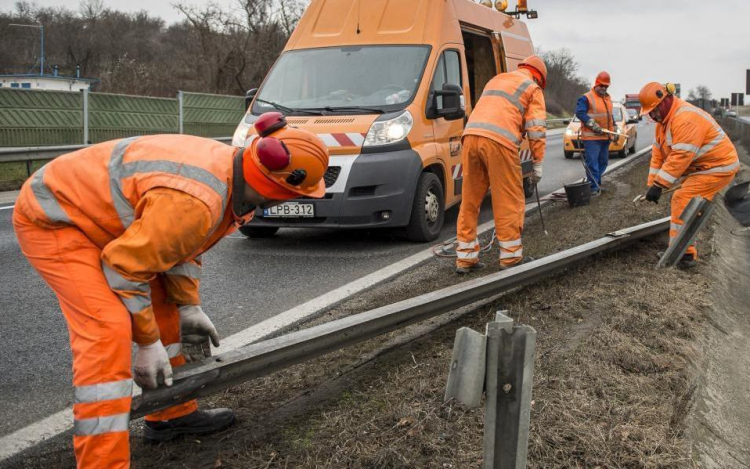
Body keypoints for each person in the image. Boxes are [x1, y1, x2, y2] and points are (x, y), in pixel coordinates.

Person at [12, 113, 329, 468]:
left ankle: (171, 414)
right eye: (289, 195)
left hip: (110, 222)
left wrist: (188, 305)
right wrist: (147, 344)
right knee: (107, 329)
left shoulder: (232, 178)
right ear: (276, 187)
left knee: (169, 309)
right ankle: (102, 462)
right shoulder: (198, 199)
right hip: (57, 220)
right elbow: (124, 268)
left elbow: (179, 247)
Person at [455, 55, 547, 274]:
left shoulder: (497, 79)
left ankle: (465, 258)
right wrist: (538, 163)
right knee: (508, 199)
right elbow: (536, 129)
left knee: (470, 199)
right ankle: (511, 257)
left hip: (470, 136)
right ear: (539, 77)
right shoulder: (533, 89)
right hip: (499, 142)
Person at [639, 82, 739, 267]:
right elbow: (658, 154)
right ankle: (682, 247)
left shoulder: (685, 118)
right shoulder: (664, 123)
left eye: (653, 111)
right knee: (686, 199)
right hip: (704, 167)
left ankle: (685, 254)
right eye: (649, 113)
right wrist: (652, 184)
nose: (652, 116)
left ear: (664, 101)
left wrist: (660, 185)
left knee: (682, 198)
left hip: (718, 167)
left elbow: (681, 155)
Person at [576, 71, 614, 194]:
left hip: (605, 137)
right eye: (602, 85)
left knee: (603, 162)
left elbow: (609, 117)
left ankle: (596, 182)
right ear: (596, 84)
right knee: (592, 163)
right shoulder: (586, 97)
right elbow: (580, 113)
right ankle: (593, 187)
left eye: (606, 86)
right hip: (591, 138)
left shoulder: (608, 99)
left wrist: (612, 133)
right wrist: (593, 125)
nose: (604, 88)